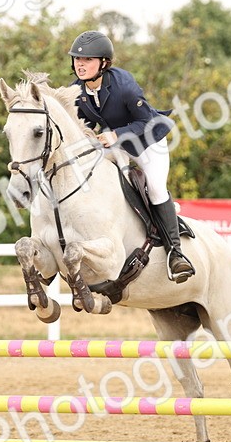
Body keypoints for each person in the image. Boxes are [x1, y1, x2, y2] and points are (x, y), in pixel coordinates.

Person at [67, 30, 195, 283]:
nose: (80, 65)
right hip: (114, 143)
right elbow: (80, 124)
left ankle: (176, 254)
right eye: (77, 60)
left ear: (104, 63)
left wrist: (116, 134)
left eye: (88, 60)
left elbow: (145, 122)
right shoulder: (76, 92)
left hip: (148, 141)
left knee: (156, 189)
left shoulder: (124, 85)